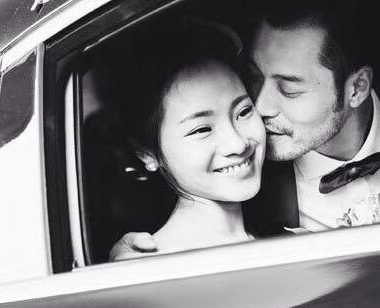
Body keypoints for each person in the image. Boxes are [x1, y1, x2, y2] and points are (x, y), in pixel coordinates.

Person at [113, 0, 380, 258]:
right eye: (255, 79)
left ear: (357, 88)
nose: (261, 108)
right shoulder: (248, 185)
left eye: (289, 89)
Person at [110, 36, 265, 260]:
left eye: (243, 112)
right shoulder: (157, 265)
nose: (238, 144)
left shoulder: (274, 237)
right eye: (202, 129)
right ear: (148, 154)